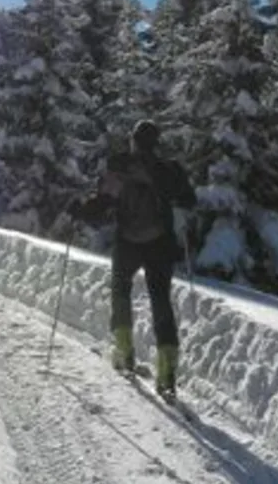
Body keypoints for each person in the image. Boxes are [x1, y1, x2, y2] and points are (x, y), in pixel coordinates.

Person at [75, 120, 197, 395]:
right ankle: (166, 371)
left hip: (127, 241)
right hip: (160, 243)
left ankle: (124, 351)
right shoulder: (168, 171)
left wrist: (80, 210)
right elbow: (189, 200)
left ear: (132, 140)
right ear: (157, 143)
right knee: (161, 301)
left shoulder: (119, 167)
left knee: (120, 290)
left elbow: (101, 203)